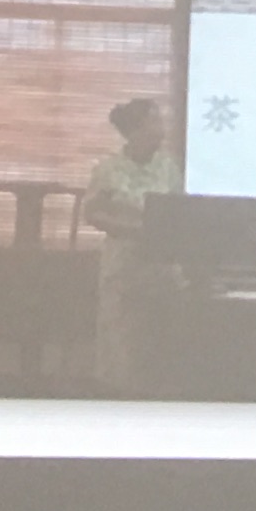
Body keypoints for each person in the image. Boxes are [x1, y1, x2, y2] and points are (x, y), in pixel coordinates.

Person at [82, 96, 179, 392]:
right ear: (136, 129)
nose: (162, 129)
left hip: (162, 268)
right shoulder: (109, 169)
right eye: (155, 121)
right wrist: (129, 231)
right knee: (121, 344)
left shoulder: (168, 167)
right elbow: (92, 214)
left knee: (158, 345)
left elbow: (181, 210)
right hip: (124, 266)